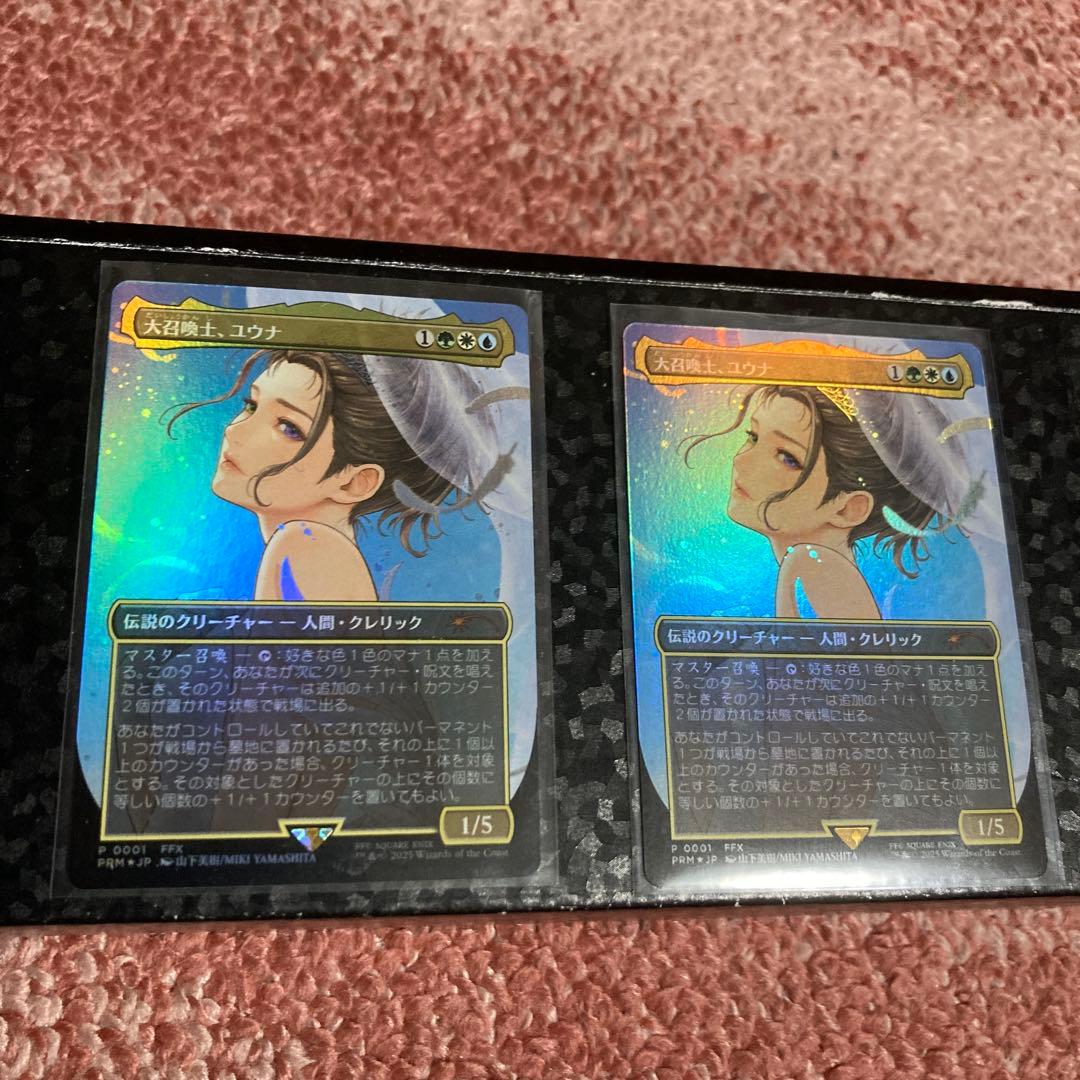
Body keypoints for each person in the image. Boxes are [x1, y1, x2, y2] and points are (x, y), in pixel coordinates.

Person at [166, 348, 460, 601]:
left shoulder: (307, 544)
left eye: (289, 428)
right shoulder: (320, 553)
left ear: (354, 482)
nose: (234, 430)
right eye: (251, 406)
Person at [683, 383, 945, 620]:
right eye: (753, 436)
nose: (741, 461)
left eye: (787, 458)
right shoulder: (822, 574)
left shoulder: (808, 562)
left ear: (848, 508)